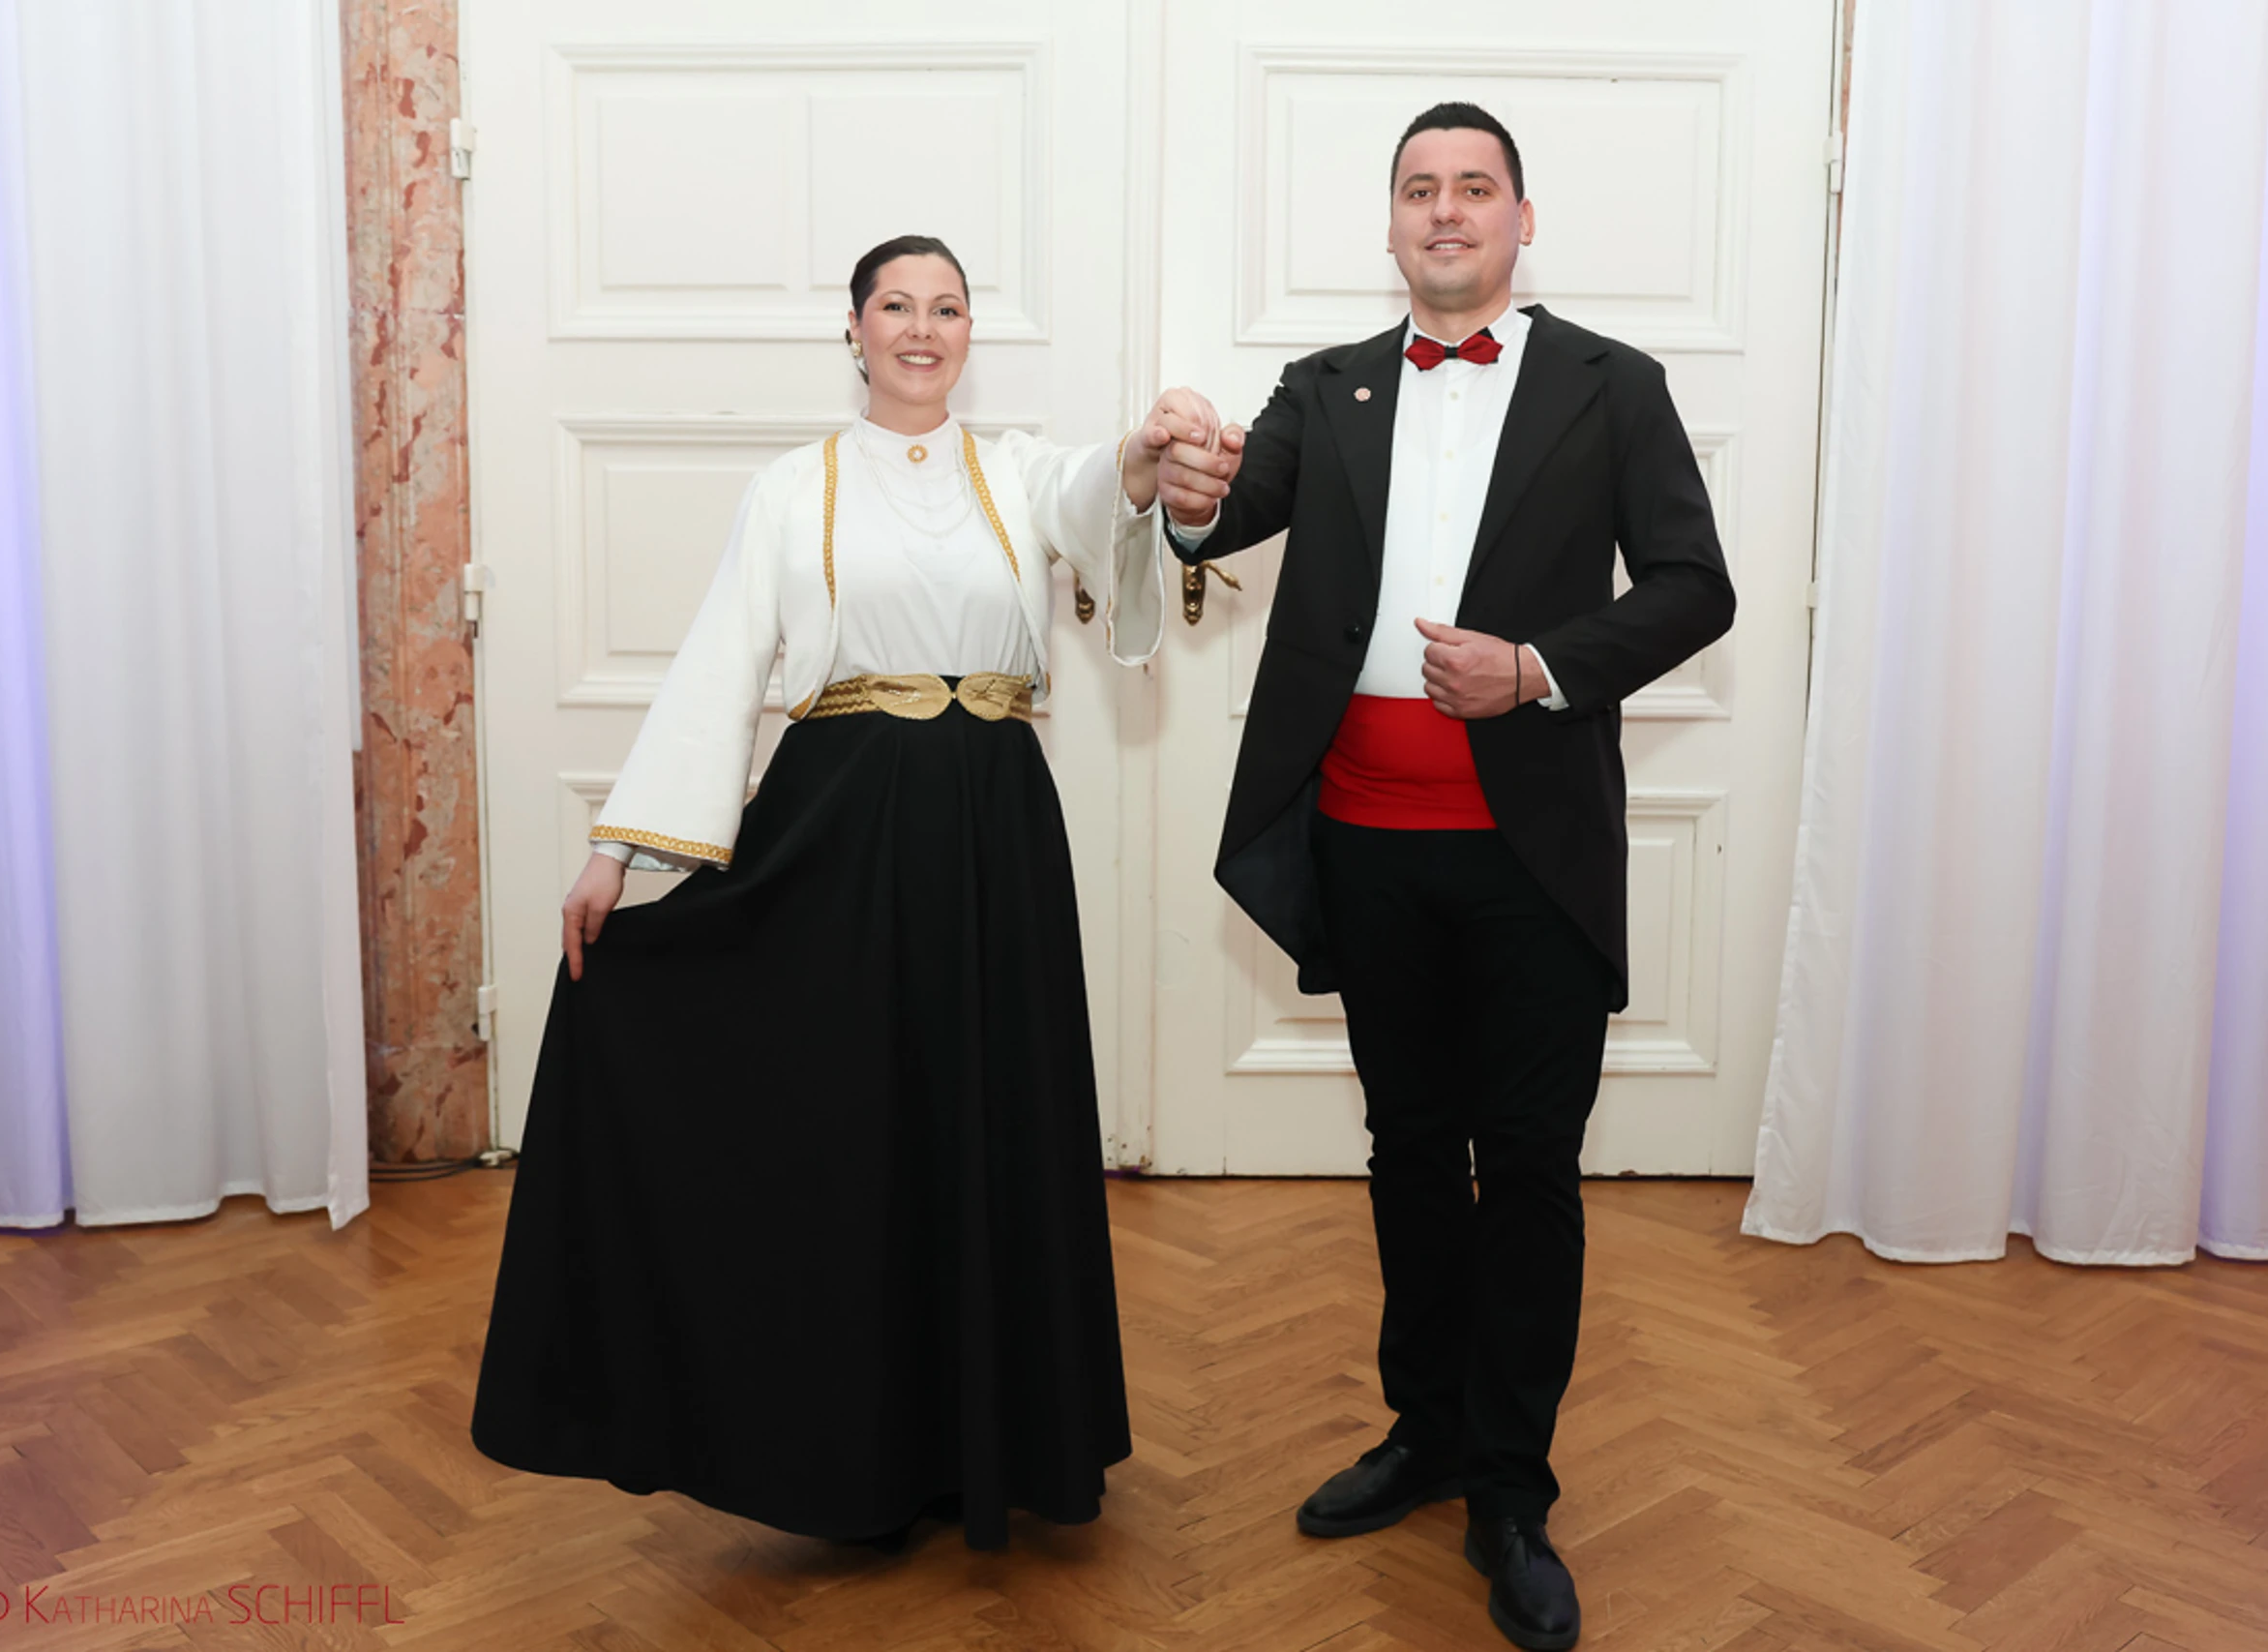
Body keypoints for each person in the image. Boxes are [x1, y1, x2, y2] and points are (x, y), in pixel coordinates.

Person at [470, 233, 1218, 1552]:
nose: (923, 329)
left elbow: (1103, 495)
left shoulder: (1017, 470)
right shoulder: (789, 489)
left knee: (990, 1108)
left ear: (969, 333)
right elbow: (721, 664)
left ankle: (993, 1441)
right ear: (856, 331)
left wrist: (1150, 449)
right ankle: (850, 1445)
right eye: (897, 307)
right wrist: (620, 853)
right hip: (842, 824)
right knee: (855, 1119)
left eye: (948, 308)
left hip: (995, 825)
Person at [1150, 105, 1736, 1648]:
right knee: (1408, 1147)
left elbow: (1697, 587)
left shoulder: (1615, 385)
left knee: (1528, 1163)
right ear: (1394, 223)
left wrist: (1537, 667)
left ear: (1522, 220)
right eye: (1421, 189)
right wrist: (1183, 481)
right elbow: (1221, 519)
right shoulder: (1324, 385)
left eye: (1476, 187)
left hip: (1532, 855)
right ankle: (1425, 1432)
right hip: (1365, 842)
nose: (1447, 210)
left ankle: (1512, 1491)